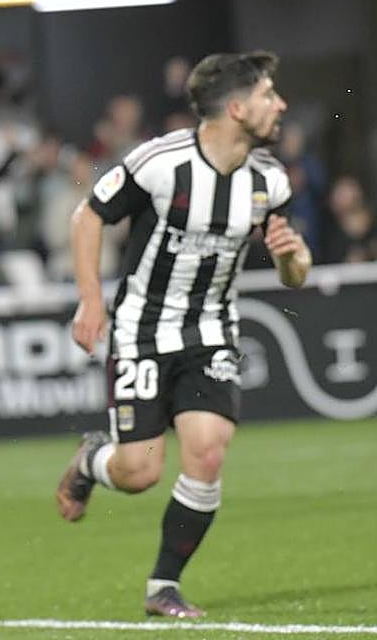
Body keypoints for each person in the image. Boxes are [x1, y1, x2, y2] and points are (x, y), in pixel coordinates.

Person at [55, 52, 312, 619]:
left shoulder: (269, 180)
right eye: (269, 95)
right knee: (139, 473)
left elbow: (295, 272)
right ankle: (93, 460)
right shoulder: (161, 162)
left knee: (208, 451)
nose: (280, 105)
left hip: (211, 331)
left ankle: (163, 586)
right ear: (237, 108)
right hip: (142, 331)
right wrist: (91, 300)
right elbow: (88, 216)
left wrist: (292, 258)